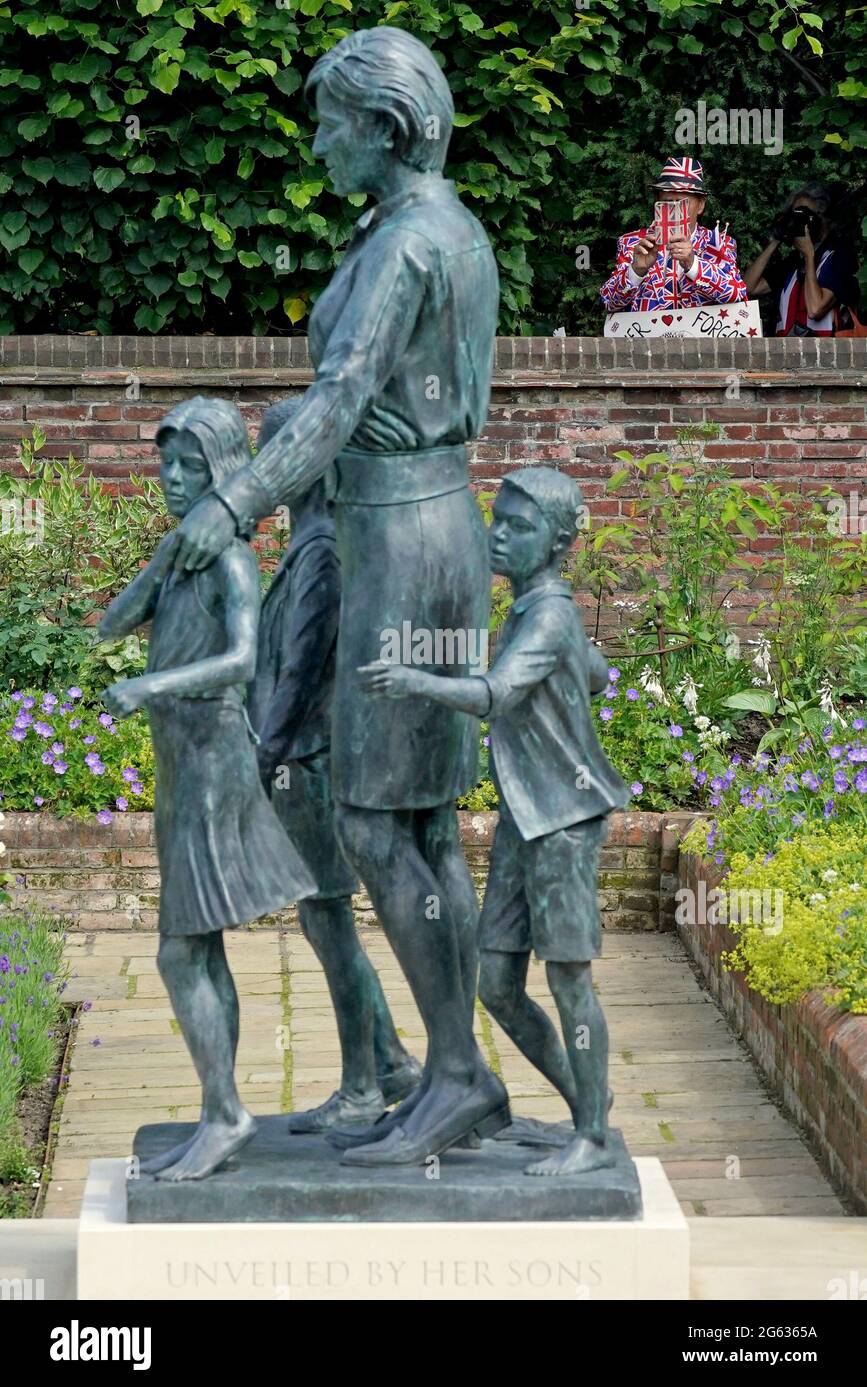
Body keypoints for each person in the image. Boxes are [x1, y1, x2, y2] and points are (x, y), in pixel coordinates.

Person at [163, 27, 509, 1166]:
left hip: (399, 536)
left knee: (373, 816)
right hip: (424, 527)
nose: (318, 145)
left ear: (391, 129)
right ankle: (452, 1073)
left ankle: (453, 1071)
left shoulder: (414, 242)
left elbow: (343, 395)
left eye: (331, 124)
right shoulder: (435, 230)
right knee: (421, 823)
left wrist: (237, 501)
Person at [359, 467, 629, 1177]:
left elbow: (497, 694)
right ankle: (585, 1108)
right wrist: (575, 667)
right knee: (499, 986)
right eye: (495, 520)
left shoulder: (546, 615)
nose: (496, 535)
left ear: (558, 541)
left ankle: (594, 1136)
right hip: (525, 816)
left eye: (516, 526)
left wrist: (411, 680)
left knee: (568, 978)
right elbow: (597, 672)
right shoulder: (537, 613)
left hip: (564, 822)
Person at [99, 397, 317, 1182]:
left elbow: (243, 661)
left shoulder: (231, 559)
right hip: (182, 765)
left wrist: (151, 689)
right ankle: (219, 1108)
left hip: (214, 763)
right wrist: (160, 559)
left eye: (193, 467)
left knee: (179, 950)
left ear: (224, 472)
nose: (174, 480)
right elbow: (111, 625)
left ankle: (225, 1113)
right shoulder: (184, 553)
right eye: (167, 465)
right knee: (195, 947)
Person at [248, 398, 422, 1133]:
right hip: (295, 761)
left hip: (302, 763)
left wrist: (264, 754)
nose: (265, 470)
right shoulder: (310, 545)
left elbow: (301, 675)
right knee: (324, 923)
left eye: (274, 454)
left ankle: (361, 1087)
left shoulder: (320, 549)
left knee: (328, 919)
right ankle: (388, 1064)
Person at [600, 156, 747, 313]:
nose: (675, 210)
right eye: (668, 202)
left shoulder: (718, 242)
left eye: (683, 202)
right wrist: (636, 270)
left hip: (700, 336)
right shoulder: (633, 243)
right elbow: (608, 302)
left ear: (701, 205)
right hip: (646, 336)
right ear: (657, 203)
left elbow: (737, 293)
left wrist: (694, 264)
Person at [743, 181, 860, 336]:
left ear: (823, 219)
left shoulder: (839, 257)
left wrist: (809, 256)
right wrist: (777, 239)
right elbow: (747, 287)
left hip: (827, 355)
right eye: (795, 215)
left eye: (804, 215)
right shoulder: (793, 263)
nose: (800, 222)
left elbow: (815, 309)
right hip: (787, 354)